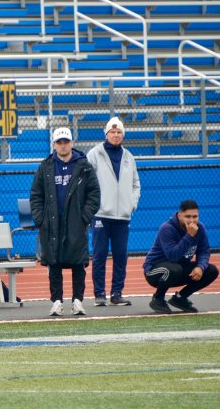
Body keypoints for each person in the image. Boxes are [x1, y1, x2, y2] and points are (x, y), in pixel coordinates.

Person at [30, 127, 100, 317]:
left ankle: (77, 301)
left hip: (75, 222)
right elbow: (36, 195)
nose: (63, 145)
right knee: (54, 263)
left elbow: (94, 194)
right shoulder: (45, 166)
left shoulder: (84, 166)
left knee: (78, 264)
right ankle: (57, 301)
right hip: (52, 223)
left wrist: (84, 216)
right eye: (59, 142)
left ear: (71, 143)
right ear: (54, 144)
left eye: (66, 142)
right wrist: (40, 219)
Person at [86, 117, 141, 307]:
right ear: (106, 133)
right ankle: (99, 294)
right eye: (112, 132)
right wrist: (92, 206)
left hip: (122, 217)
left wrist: (130, 205)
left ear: (123, 134)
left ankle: (117, 293)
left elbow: (136, 184)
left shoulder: (129, 157)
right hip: (101, 215)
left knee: (120, 256)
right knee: (99, 255)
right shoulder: (94, 154)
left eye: (119, 132)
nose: (116, 135)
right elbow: (86, 182)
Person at [143, 199, 219, 314]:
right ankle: (158, 299)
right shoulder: (167, 229)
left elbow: (204, 251)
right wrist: (189, 236)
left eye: (195, 216)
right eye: (188, 216)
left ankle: (180, 298)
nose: (192, 220)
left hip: (178, 269)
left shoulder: (200, 228)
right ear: (179, 215)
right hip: (155, 271)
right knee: (174, 269)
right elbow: (173, 256)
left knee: (211, 270)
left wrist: (200, 267)